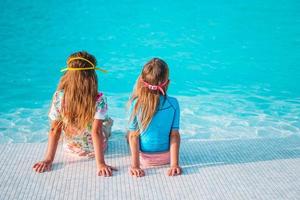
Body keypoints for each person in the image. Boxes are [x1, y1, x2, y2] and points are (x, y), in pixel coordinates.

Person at [33, 51, 115, 177]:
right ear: (92, 75)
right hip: (95, 149)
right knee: (107, 122)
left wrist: (48, 159)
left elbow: (55, 129)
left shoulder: (59, 96)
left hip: (71, 147)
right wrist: (100, 163)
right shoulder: (99, 98)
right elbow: (96, 132)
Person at [128, 58, 182, 177]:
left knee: (129, 133)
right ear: (167, 82)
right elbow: (175, 135)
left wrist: (135, 166)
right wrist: (174, 165)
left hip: (144, 159)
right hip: (166, 157)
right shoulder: (174, 104)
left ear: (142, 81)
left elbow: (133, 136)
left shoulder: (136, 104)